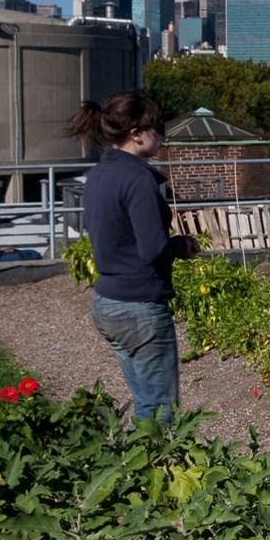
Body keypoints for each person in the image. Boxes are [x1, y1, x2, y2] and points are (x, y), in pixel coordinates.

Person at [67, 90, 200, 423]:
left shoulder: (98, 174)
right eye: (157, 128)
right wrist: (182, 245)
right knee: (159, 411)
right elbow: (153, 248)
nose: (163, 135)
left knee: (145, 403)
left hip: (108, 300)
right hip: (139, 308)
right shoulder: (138, 179)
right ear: (136, 134)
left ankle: (129, 468)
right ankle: (143, 472)